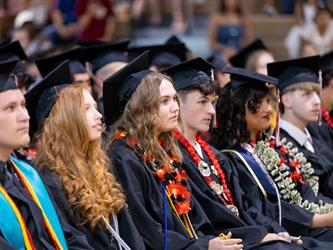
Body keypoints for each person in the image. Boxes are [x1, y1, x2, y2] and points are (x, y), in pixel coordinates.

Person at [105, 51, 244, 249]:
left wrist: (211, 241)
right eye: (164, 101)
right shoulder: (124, 157)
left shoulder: (163, 152)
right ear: (141, 108)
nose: (175, 108)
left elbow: (193, 218)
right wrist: (203, 247)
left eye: (174, 99)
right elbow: (145, 229)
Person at [164, 57, 305, 249]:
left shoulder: (215, 156)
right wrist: (257, 236)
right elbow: (209, 218)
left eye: (213, 103)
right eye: (203, 102)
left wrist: (272, 231)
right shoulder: (173, 159)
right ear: (178, 103)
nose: (211, 111)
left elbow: (244, 207)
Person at [25, 61, 144, 249]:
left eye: (96, 107)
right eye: (87, 108)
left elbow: (130, 233)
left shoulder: (98, 166)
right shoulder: (48, 179)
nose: (99, 115)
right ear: (66, 119)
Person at [210, 65, 333, 245]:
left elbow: (303, 190)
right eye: (258, 102)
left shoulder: (271, 148)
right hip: (284, 233)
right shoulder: (230, 159)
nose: (268, 109)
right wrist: (317, 220)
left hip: (305, 225)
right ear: (238, 107)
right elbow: (259, 208)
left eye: (268, 101)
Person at [0, 59, 92, 249]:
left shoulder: (26, 173)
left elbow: (68, 235)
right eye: (10, 108)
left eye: (23, 105)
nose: (25, 116)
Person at [267, 56, 333, 200]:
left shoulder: (318, 136)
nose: (317, 101)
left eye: (317, 93)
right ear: (286, 100)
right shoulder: (277, 147)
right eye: (307, 94)